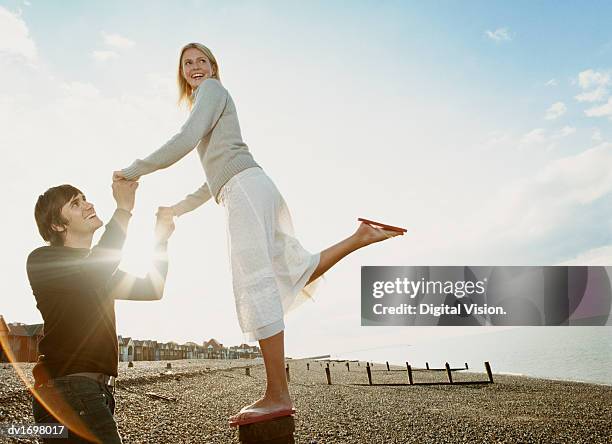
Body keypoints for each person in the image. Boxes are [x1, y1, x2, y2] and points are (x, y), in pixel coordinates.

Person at [114, 42, 403, 426]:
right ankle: (360, 237)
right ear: (181, 72)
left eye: (202, 61)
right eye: (188, 63)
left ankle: (276, 394)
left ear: (214, 67)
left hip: (245, 192)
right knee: (290, 270)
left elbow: (184, 140)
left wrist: (133, 170)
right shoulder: (210, 102)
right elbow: (210, 180)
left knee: (257, 286)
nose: (196, 67)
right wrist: (175, 210)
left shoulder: (211, 92)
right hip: (251, 186)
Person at [27, 178, 175, 443]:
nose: (88, 204)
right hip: (68, 390)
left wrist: (160, 241)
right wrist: (124, 209)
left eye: (84, 198)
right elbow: (95, 268)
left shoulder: (99, 272)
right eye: (75, 203)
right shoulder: (43, 261)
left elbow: (153, 289)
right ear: (58, 225)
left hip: (92, 392)